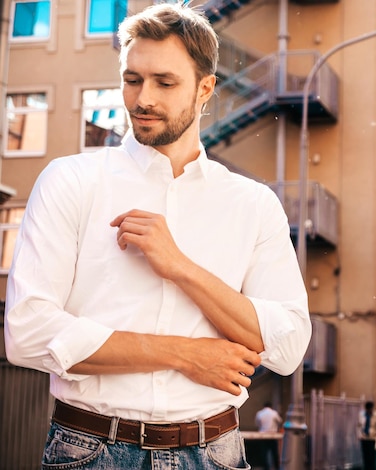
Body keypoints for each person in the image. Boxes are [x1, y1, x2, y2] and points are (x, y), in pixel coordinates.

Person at [4, 3, 311, 469]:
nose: (142, 98)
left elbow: (287, 346)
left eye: (165, 83)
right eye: (132, 79)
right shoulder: (71, 180)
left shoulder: (252, 204)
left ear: (205, 88)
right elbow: (27, 332)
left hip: (215, 454)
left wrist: (181, 268)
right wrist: (186, 355)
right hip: (90, 450)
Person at [255, 402, 283, 470]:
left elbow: (257, 424)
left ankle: (266, 468)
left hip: (263, 435)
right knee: (274, 453)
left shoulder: (259, 413)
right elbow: (280, 421)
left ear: (264, 406)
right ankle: (277, 467)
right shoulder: (274, 413)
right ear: (271, 406)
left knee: (264, 453)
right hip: (273, 435)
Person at [357, 401, 376, 470]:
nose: (371, 410)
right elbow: (358, 425)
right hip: (364, 438)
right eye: (370, 409)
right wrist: (359, 434)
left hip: (372, 438)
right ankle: (367, 468)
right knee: (365, 456)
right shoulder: (362, 415)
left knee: (372, 456)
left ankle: (372, 468)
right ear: (367, 409)